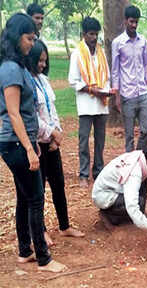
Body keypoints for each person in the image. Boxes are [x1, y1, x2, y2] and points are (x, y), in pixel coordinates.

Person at [0, 13, 66, 272]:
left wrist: (33, 142)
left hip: (21, 141)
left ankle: (25, 251)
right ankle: (44, 259)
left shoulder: (16, 66)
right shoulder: (9, 69)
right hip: (15, 143)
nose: (32, 42)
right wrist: (29, 148)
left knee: (25, 197)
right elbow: (13, 113)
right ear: (17, 38)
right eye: (29, 38)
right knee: (36, 198)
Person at [28, 40, 85, 246]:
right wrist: (51, 133)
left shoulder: (43, 80)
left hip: (52, 142)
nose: (43, 64)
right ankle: (40, 230)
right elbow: (32, 116)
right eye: (39, 61)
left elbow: (52, 111)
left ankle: (64, 225)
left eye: (45, 61)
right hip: (37, 143)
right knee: (38, 190)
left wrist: (57, 134)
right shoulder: (27, 82)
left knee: (58, 184)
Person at [68, 17, 113, 188]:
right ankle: (84, 174)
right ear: (83, 34)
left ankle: (98, 171)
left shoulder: (101, 53)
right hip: (86, 104)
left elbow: (106, 77)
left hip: (101, 104)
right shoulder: (77, 53)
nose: (94, 38)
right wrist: (91, 90)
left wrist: (105, 91)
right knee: (84, 140)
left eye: (96, 34)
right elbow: (73, 80)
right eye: (91, 34)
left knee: (100, 140)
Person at [92, 144, 147, 241]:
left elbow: (132, 187)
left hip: (111, 188)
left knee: (141, 197)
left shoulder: (139, 156)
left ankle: (136, 219)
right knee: (138, 203)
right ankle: (108, 216)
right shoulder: (135, 173)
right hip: (103, 196)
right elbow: (132, 206)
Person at [112, 5, 147, 152]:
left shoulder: (142, 41)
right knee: (129, 135)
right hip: (127, 95)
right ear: (125, 21)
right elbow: (115, 71)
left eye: (136, 22)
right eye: (131, 21)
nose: (134, 25)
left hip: (142, 92)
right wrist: (117, 96)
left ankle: (138, 155)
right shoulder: (118, 43)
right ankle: (129, 164)